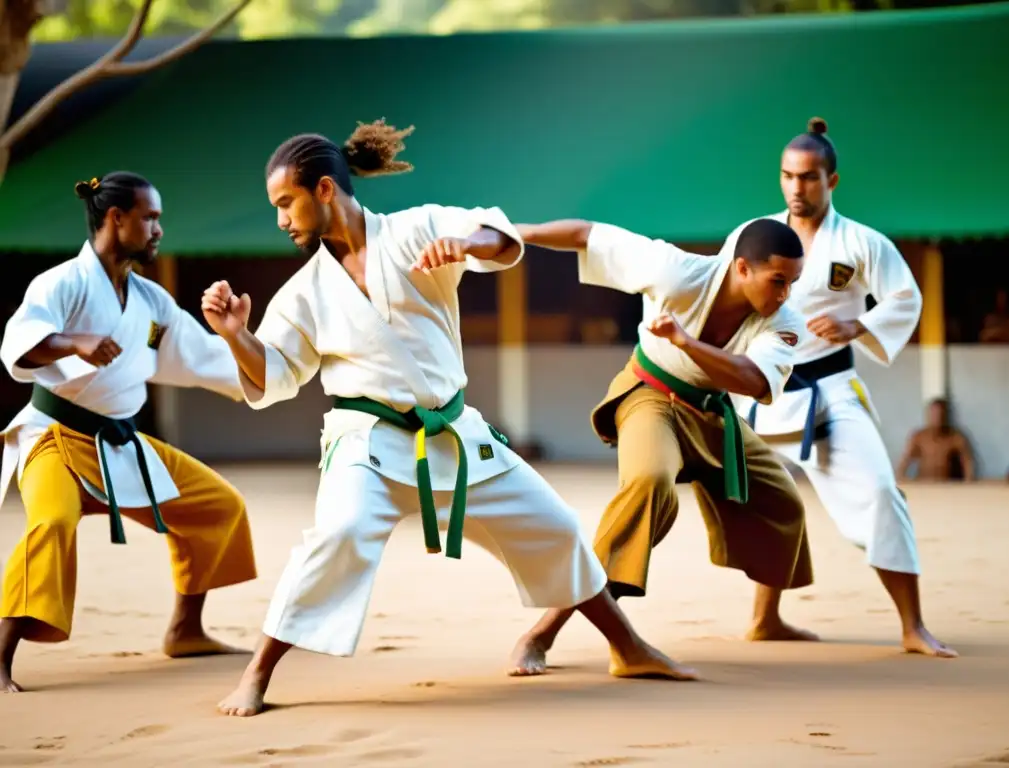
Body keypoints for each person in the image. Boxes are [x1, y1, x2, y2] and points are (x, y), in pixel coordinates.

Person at [204, 120, 696, 718]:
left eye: (286, 202)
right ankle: (257, 675)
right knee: (338, 536)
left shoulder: (414, 229)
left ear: (325, 190)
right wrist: (237, 338)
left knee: (556, 528)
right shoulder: (305, 292)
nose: (281, 218)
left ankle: (628, 646)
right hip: (367, 443)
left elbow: (497, 234)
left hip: (454, 434)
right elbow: (273, 375)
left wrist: (468, 247)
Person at [507, 216, 814, 676]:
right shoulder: (676, 271)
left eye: (793, 283)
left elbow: (752, 380)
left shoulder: (784, 321)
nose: (785, 294)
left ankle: (766, 621)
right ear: (742, 269)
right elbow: (586, 235)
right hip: (651, 396)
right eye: (777, 281)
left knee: (783, 500)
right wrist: (514, 234)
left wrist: (688, 343)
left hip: (713, 414)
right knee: (649, 485)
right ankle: (541, 634)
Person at [0, 172, 258, 693]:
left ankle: (186, 630)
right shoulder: (62, 283)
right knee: (50, 523)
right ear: (116, 219)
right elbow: (18, 345)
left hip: (122, 444)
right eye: (150, 217)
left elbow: (195, 352)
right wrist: (72, 342)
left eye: (159, 218)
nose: (159, 228)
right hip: (57, 437)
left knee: (218, 506)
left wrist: (253, 352)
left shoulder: (150, 302)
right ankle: (0, 657)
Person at [728, 117, 957, 658]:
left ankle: (912, 626)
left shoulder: (860, 242)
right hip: (761, 392)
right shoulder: (756, 235)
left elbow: (905, 298)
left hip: (829, 391)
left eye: (808, 177)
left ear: (832, 180)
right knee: (769, 505)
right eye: (787, 176)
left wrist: (860, 326)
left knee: (880, 492)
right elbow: (720, 294)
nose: (796, 188)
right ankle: (764, 619)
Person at [896, 399, 974, 482]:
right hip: (924, 484)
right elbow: (904, 461)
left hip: (947, 486)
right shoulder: (919, 437)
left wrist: (967, 483)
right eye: (934, 414)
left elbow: (968, 463)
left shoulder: (956, 438)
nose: (937, 418)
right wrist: (901, 480)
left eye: (940, 414)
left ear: (946, 416)